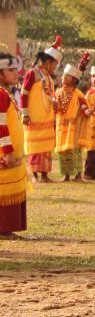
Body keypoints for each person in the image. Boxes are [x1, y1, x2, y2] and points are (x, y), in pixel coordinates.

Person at [21, 36, 61, 183]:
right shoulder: (33, 73)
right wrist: (25, 114)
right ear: (49, 62)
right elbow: (23, 94)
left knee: (45, 146)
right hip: (34, 116)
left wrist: (55, 103)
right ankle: (35, 176)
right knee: (35, 146)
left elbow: (49, 95)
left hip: (47, 116)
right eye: (55, 64)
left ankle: (44, 174)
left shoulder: (48, 77)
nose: (55, 68)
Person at [0, 52, 28, 237]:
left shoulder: (5, 93)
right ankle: (3, 228)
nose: (16, 73)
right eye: (10, 70)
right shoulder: (0, 95)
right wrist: (7, 151)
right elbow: (0, 125)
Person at [54, 56, 91, 183]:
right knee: (63, 152)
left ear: (74, 80)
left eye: (67, 76)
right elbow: (55, 108)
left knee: (75, 151)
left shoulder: (78, 94)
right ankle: (66, 175)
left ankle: (78, 175)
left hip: (73, 127)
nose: (64, 77)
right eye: (64, 75)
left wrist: (88, 111)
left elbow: (84, 107)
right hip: (61, 126)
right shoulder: (58, 92)